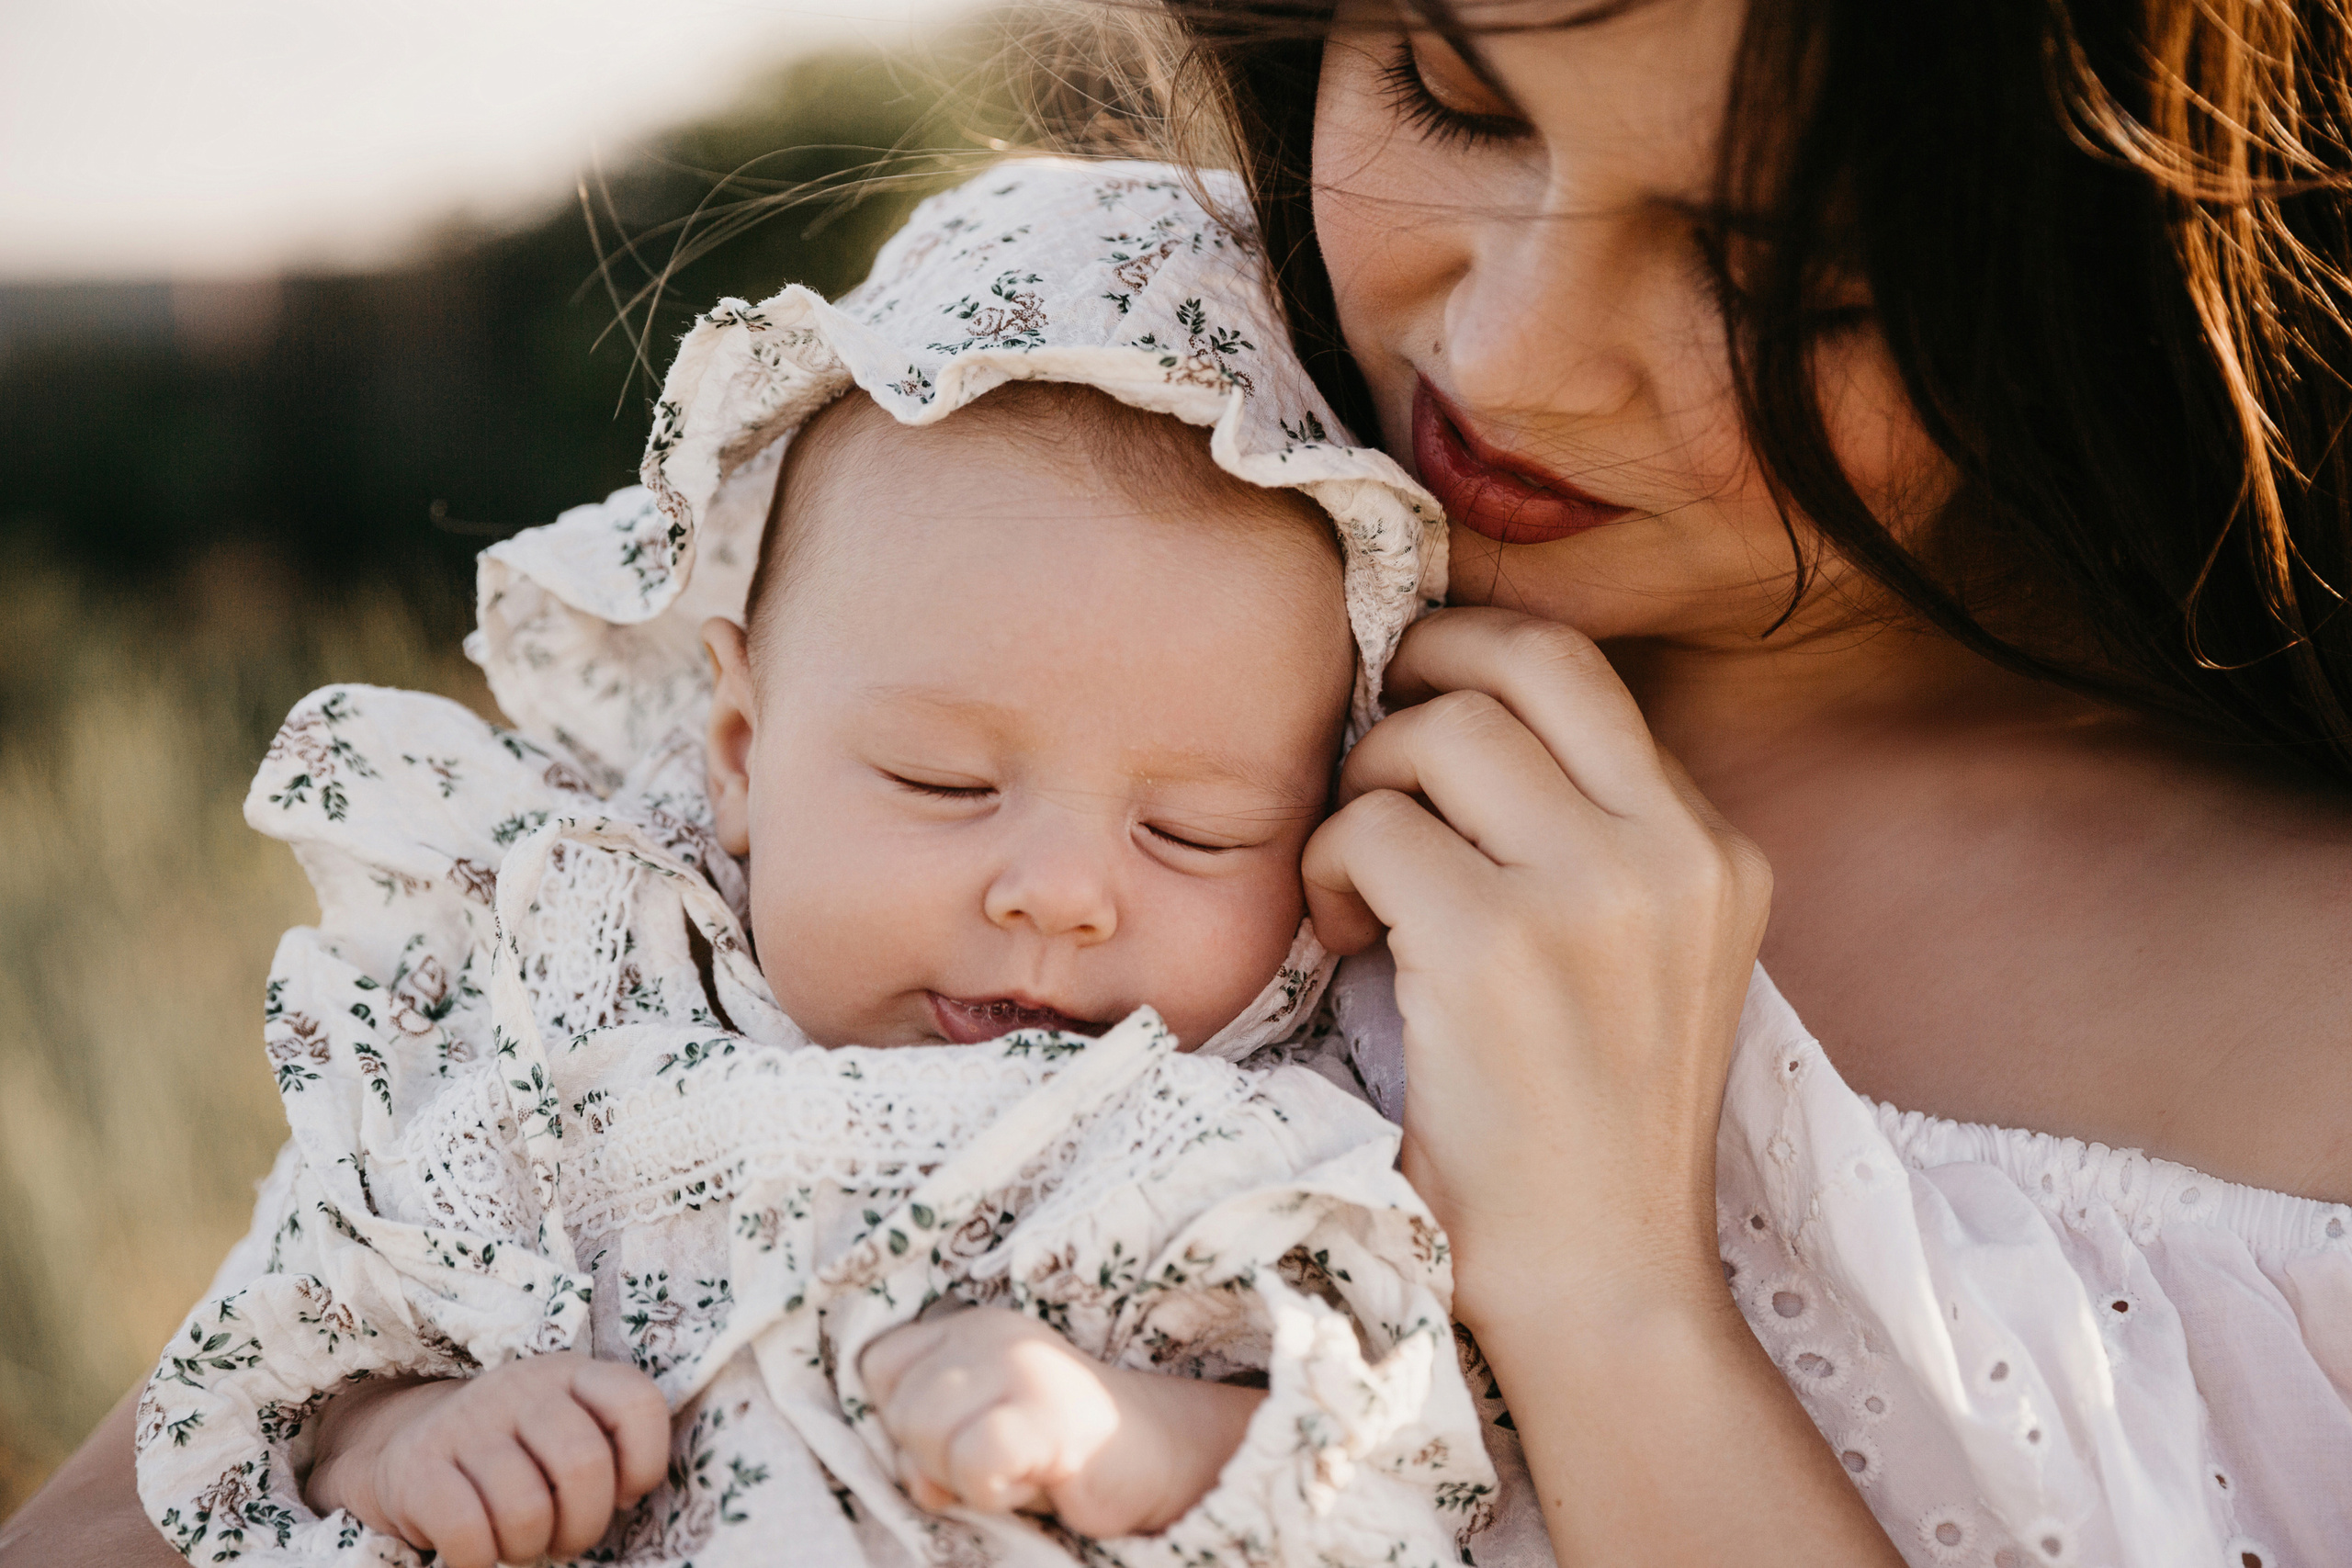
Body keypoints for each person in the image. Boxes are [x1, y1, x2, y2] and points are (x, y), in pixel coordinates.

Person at [10, 0, 2351, 1562]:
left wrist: (1613, 1304)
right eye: (1449, 90)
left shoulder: (2297, 1016)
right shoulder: (1101, 429)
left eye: (1788, 276)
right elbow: (175, 1469)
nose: (1498, 353)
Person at [132, 169, 1502, 1568]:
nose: (1062, 895)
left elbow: (1418, 1476)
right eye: (945, 784)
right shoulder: (548, 1020)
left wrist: (1144, 1440)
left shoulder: (1255, 1150)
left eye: (1195, 833)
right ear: (737, 749)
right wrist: (405, 1443)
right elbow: (261, 1383)